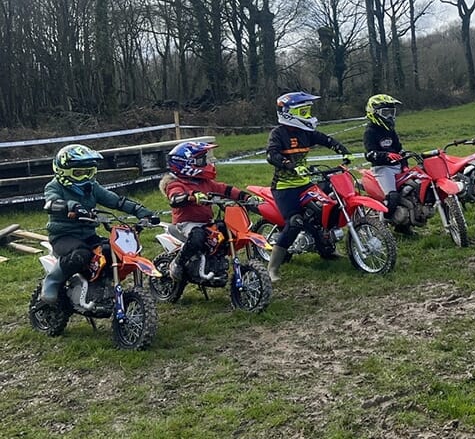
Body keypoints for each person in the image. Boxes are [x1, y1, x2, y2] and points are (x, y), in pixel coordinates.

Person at [41, 144, 157, 304]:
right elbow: (51, 202)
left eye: (89, 173)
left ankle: (100, 285)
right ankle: (52, 281)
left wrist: (140, 211)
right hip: (63, 236)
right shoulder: (54, 186)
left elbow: (116, 201)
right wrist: (70, 206)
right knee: (81, 255)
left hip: (88, 235)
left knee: (111, 251)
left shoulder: (92, 187)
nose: (85, 178)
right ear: (62, 172)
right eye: (79, 173)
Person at [265, 92, 351, 282]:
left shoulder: (305, 133)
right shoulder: (278, 134)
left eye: (308, 111)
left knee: (321, 213)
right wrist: (291, 165)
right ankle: (272, 269)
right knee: (295, 222)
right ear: (288, 113)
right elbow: (272, 155)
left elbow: (325, 139)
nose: (307, 115)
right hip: (284, 187)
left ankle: (327, 251)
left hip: (305, 183)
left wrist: (342, 150)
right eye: (303, 112)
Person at [160, 140, 253, 282]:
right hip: (186, 224)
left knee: (225, 229)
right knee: (198, 236)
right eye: (201, 160)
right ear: (186, 163)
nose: (206, 163)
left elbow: (225, 189)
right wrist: (190, 196)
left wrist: (246, 197)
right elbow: (175, 198)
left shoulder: (205, 182)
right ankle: (177, 263)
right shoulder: (175, 183)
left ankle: (216, 262)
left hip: (206, 222)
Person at [362, 94, 408, 232]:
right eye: (385, 113)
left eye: (391, 113)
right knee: (392, 196)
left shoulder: (390, 130)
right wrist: (386, 155)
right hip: (382, 168)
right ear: (374, 113)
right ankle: (383, 224)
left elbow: (400, 149)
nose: (389, 117)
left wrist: (405, 165)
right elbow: (370, 154)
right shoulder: (370, 132)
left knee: (410, 192)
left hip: (397, 165)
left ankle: (404, 225)